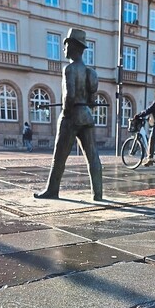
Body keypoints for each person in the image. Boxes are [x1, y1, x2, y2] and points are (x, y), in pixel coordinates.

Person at [34, 28, 103, 201]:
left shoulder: (69, 69)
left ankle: (52, 189)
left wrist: (65, 114)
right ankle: (98, 193)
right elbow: (92, 101)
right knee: (93, 155)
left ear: (73, 46)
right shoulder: (90, 72)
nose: (63, 48)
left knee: (59, 156)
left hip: (72, 116)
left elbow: (69, 95)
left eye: (65, 44)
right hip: (86, 116)